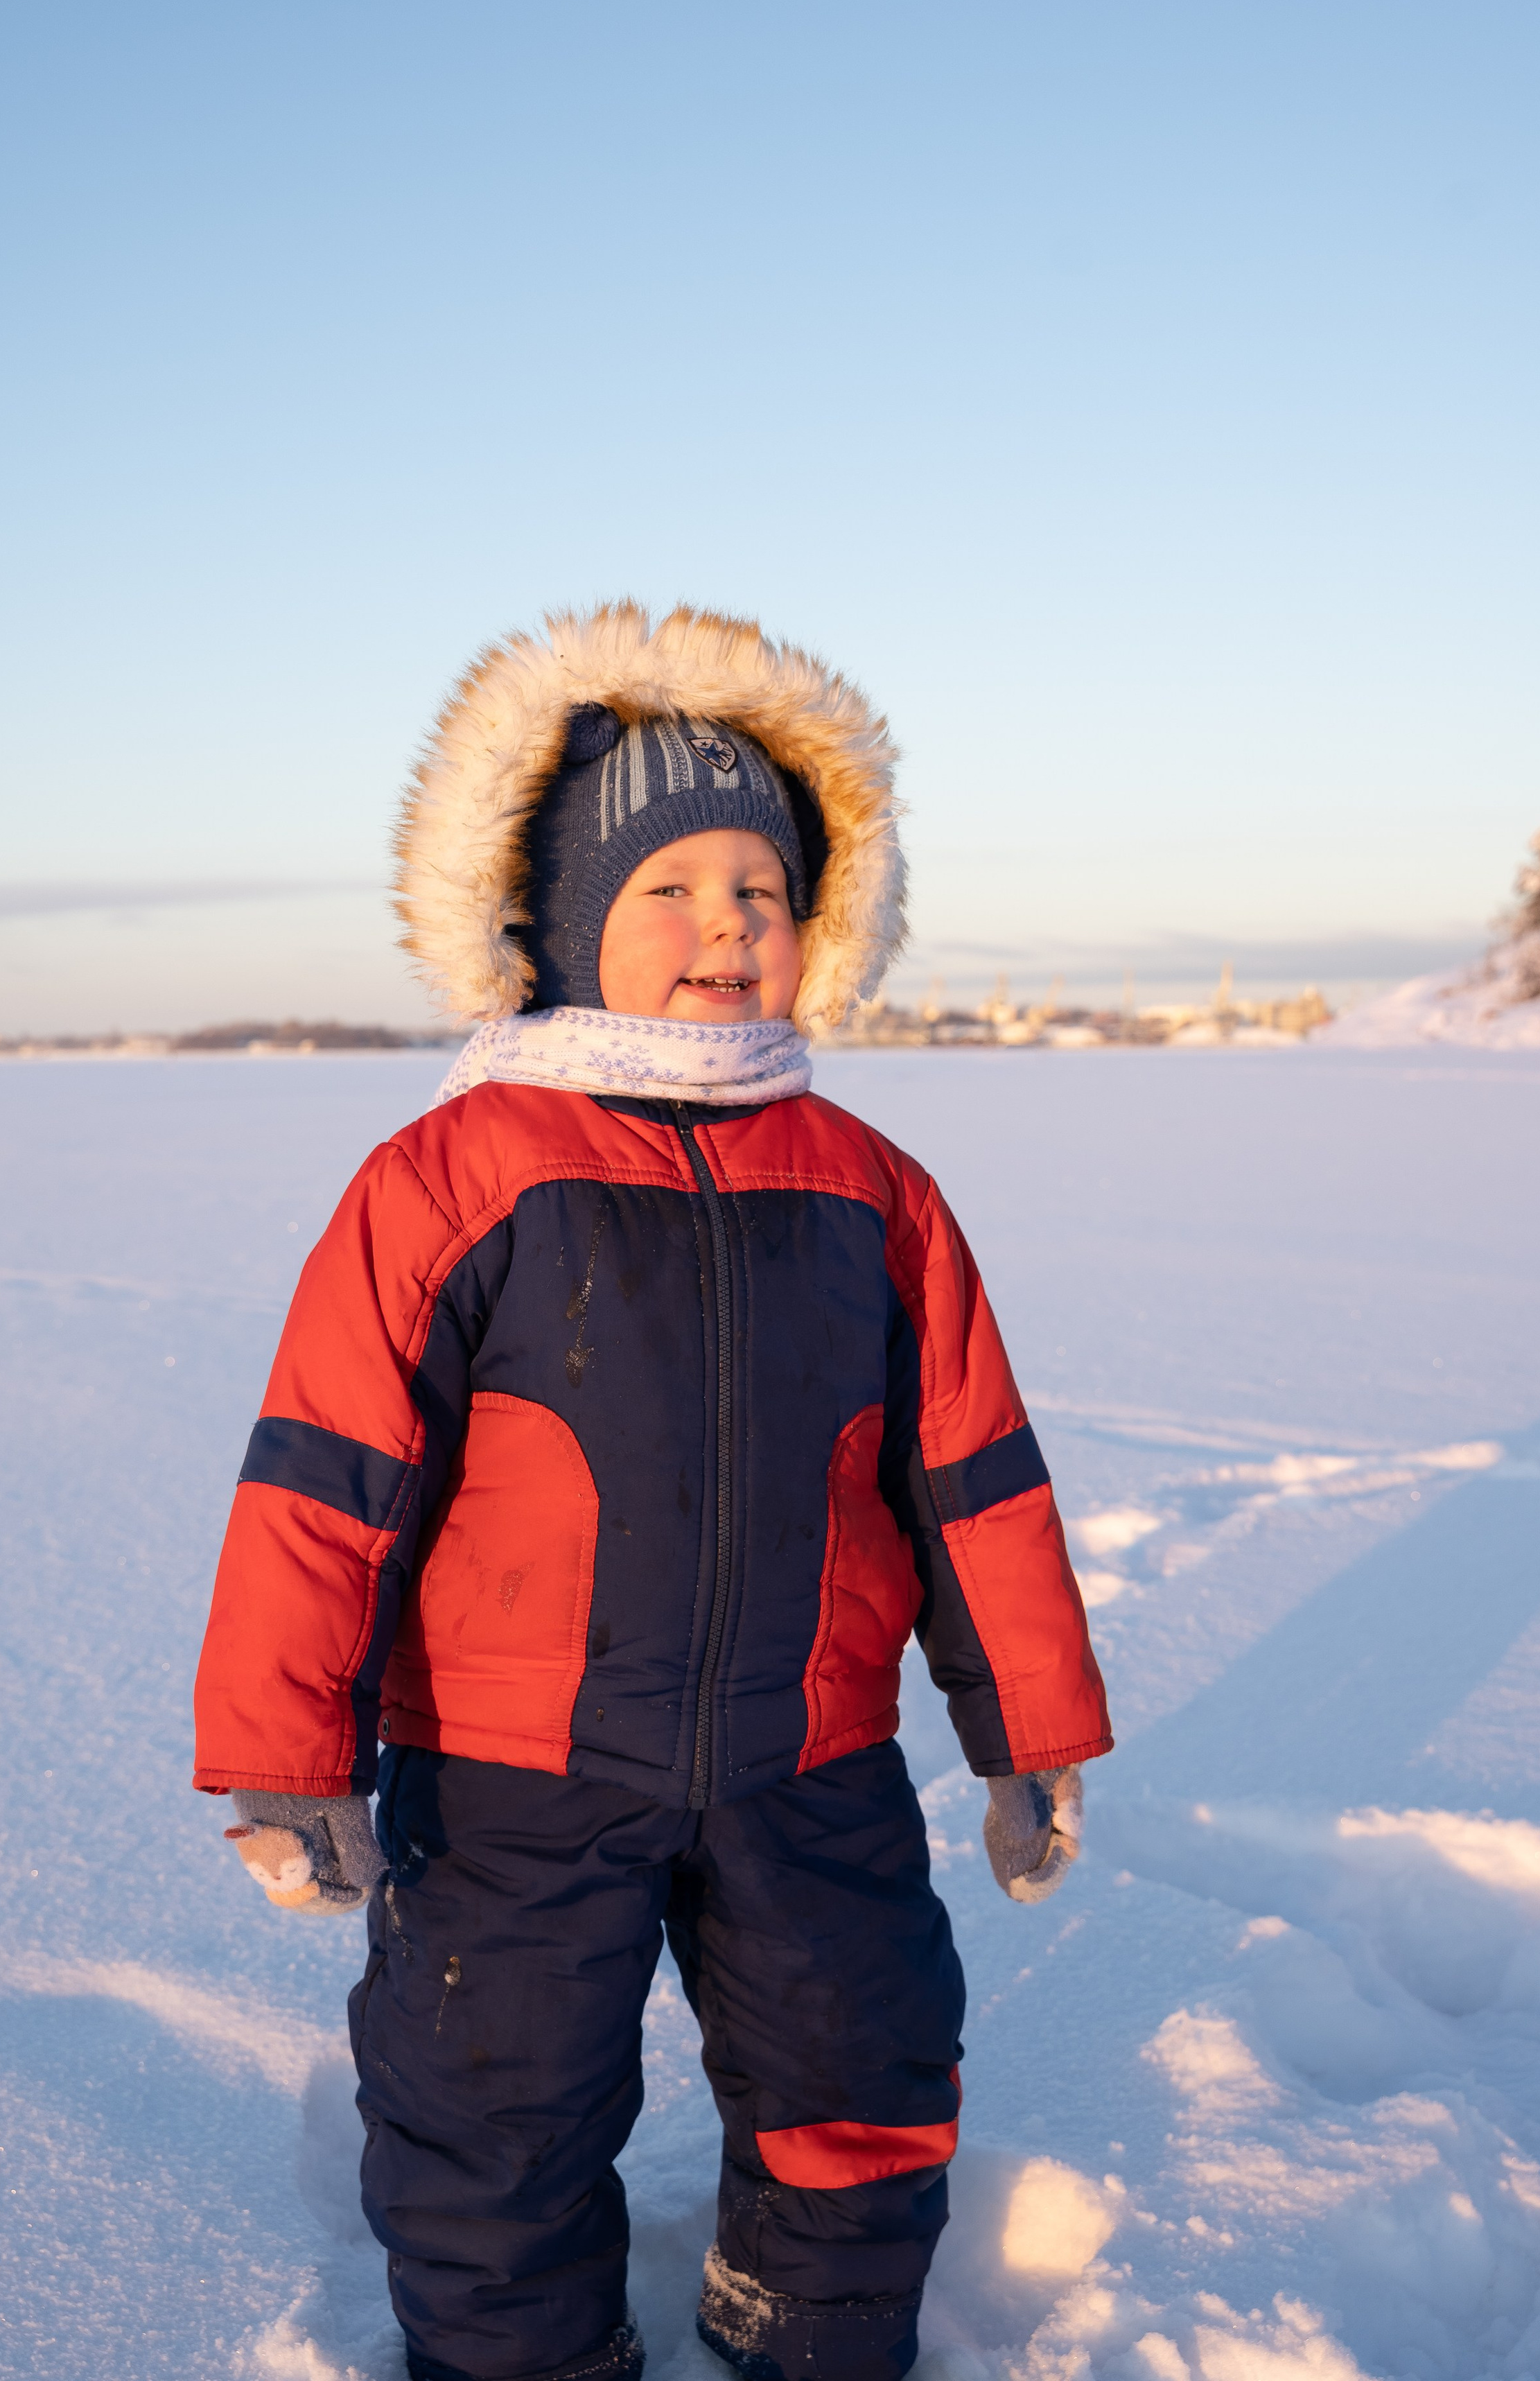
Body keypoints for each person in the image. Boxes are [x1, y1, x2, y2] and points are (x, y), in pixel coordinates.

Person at [193, 602, 1112, 2381]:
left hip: (813, 1757)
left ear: (818, 925)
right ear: (558, 923)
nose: (724, 926)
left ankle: (812, 2343)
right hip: (509, 1773)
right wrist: (282, 1754)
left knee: (862, 2084)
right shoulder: (459, 1171)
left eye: (760, 890)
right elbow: (326, 1478)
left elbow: (971, 1472)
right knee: (493, 2118)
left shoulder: (871, 1188)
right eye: (671, 887)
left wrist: (1028, 1730)